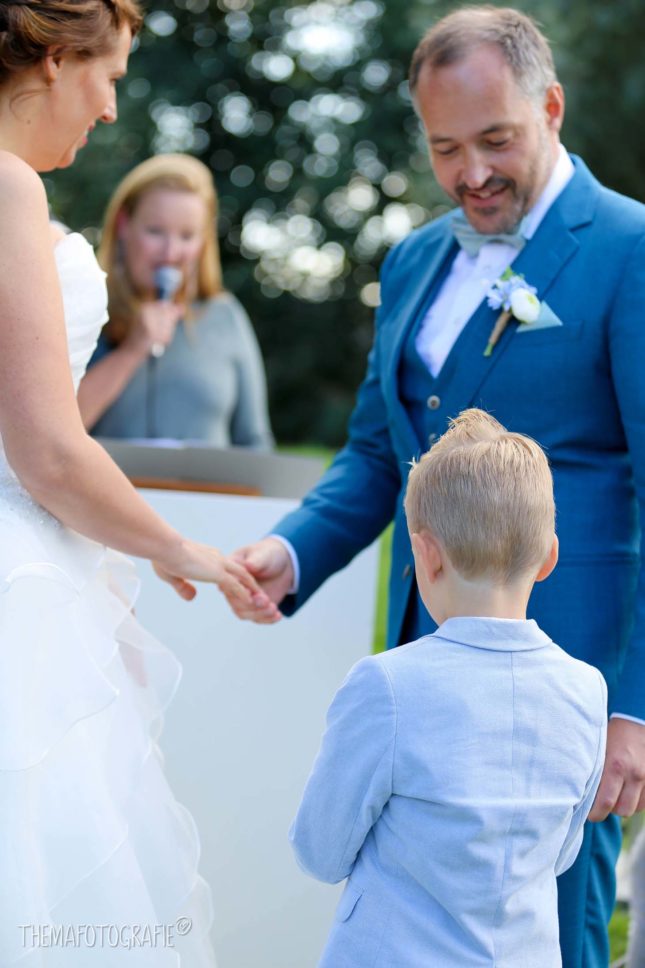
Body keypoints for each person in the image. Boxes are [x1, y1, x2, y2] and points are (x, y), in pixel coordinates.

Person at [224, 7, 645, 965]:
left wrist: (633, 708)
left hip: (564, 692)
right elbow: (378, 452)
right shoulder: (413, 260)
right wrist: (291, 551)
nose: (471, 174)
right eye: (445, 148)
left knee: (554, 935)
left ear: (550, 107)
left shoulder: (628, 249)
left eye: (495, 140)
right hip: (421, 673)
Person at [0, 1, 277, 964]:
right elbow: (48, 449)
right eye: (109, 76)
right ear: (53, 58)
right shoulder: (7, 186)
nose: (111, 108)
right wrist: (175, 546)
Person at [290, 409, 607, 967]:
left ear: (427, 555)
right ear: (549, 558)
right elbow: (559, 854)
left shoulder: (387, 686)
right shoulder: (586, 689)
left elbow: (321, 851)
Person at [77, 153, 273, 447]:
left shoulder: (224, 314)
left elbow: (255, 441)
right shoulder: (83, 311)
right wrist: (132, 350)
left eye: (187, 236)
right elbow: (50, 435)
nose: (170, 253)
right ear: (123, 224)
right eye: (155, 232)